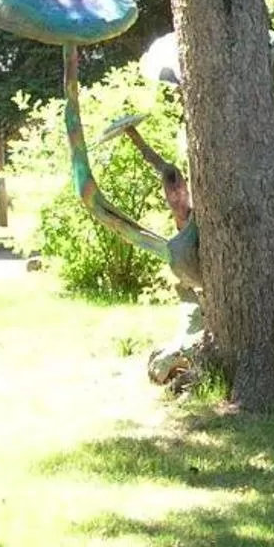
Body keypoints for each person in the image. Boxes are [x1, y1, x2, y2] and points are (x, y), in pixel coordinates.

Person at [61, 44, 204, 383]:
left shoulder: (182, 192)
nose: (173, 191)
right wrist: (135, 138)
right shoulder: (177, 190)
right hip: (186, 251)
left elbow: (162, 167)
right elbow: (160, 166)